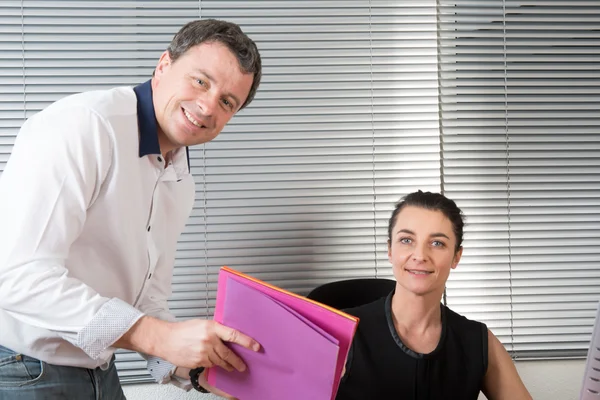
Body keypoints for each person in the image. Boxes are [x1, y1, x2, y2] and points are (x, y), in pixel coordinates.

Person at [0, 19, 261, 399]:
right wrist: (158, 336)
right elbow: (17, 275)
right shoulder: (83, 126)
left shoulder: (179, 178)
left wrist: (199, 369)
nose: (207, 107)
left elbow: (145, 299)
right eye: (201, 81)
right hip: (22, 367)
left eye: (227, 102)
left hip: (99, 371)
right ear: (163, 66)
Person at [336, 191, 532, 400]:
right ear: (390, 250)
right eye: (406, 240)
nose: (420, 256)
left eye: (437, 243)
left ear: (456, 256)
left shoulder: (479, 342)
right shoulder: (339, 332)